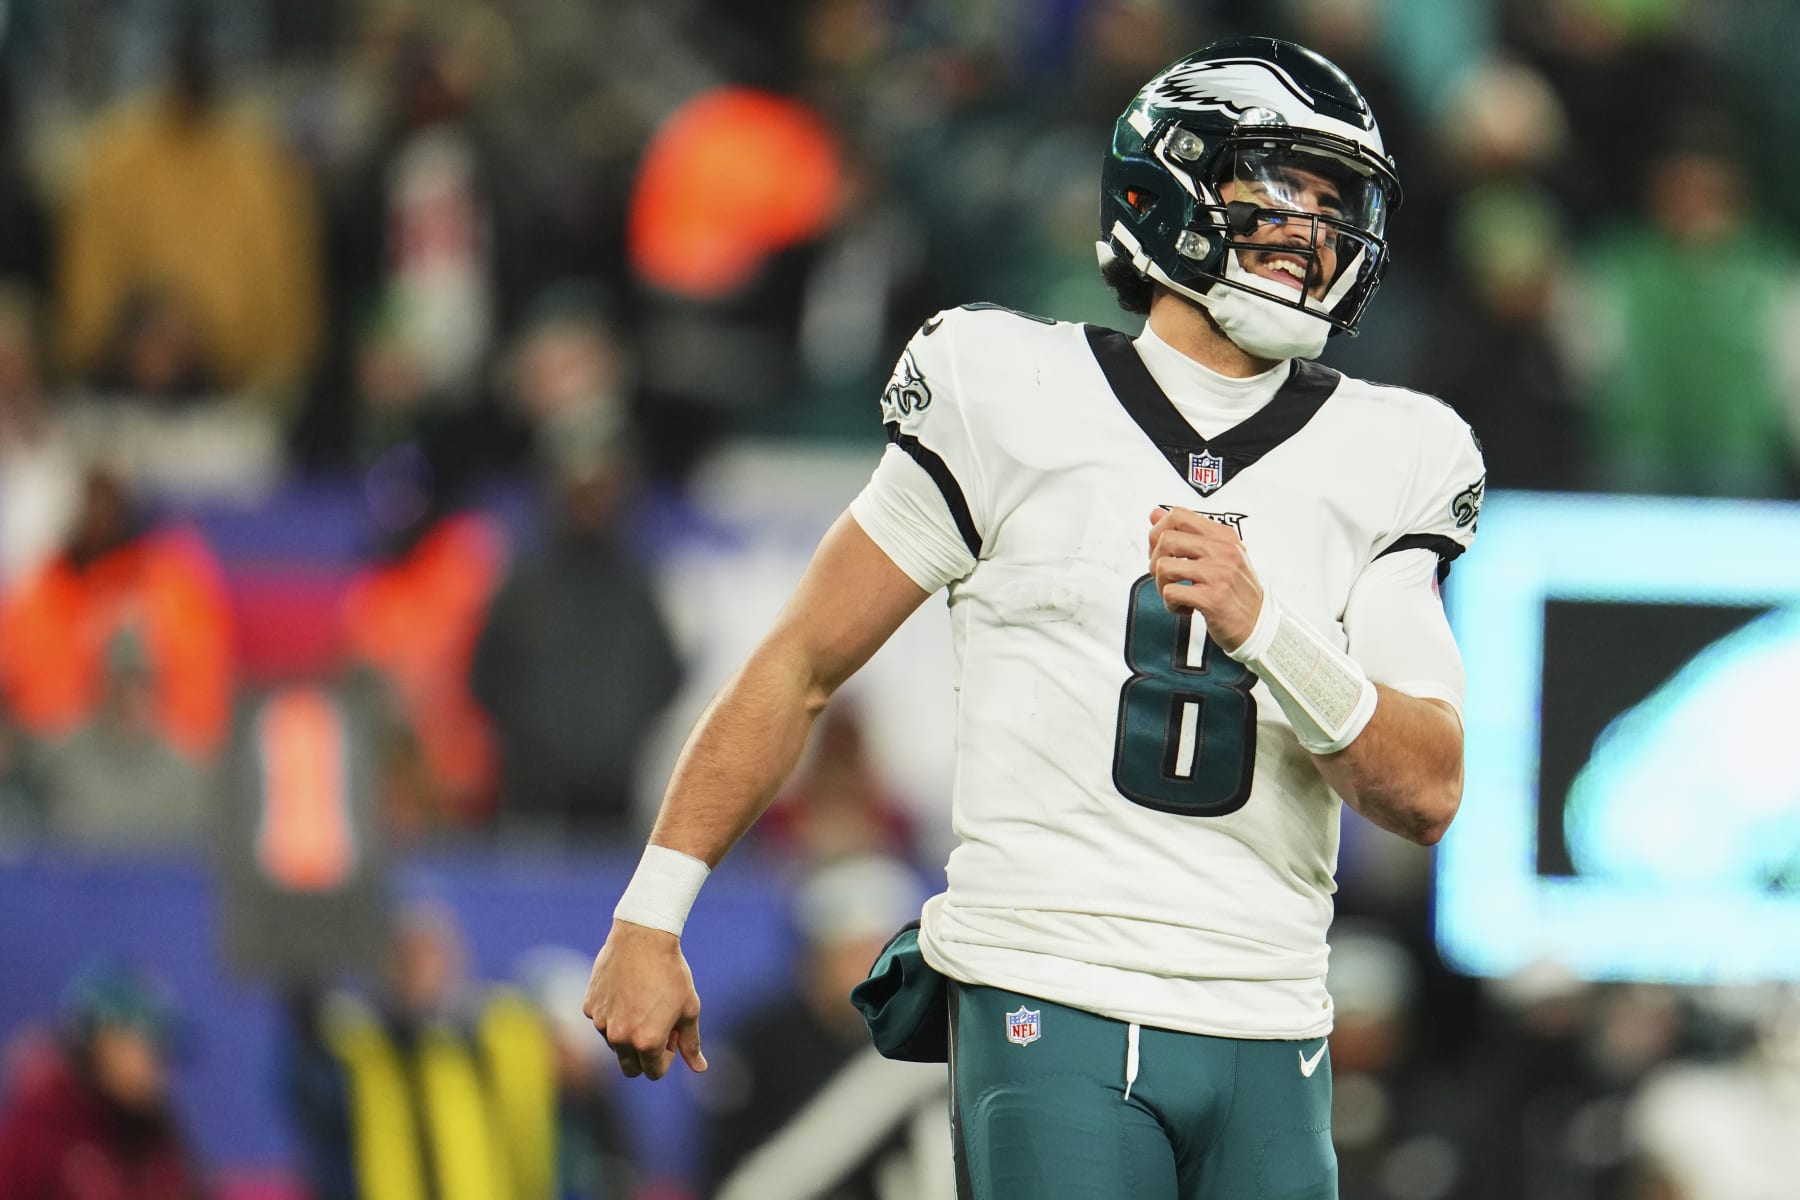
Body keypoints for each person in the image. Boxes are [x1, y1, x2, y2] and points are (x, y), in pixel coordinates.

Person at [584, 36, 1482, 1200]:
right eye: (1281, 189)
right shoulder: (1004, 389)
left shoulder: (1397, 450)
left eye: (1333, 201)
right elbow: (801, 661)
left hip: (1273, 1009)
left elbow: (1427, 790)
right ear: (1176, 188)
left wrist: (1271, 630)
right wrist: (651, 916)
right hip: (1049, 983)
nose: (1314, 232)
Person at [0, 957, 206, 1200]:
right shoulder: (32, 1142)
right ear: (103, 1042)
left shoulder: (158, 1138)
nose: (161, 1071)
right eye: (152, 1051)